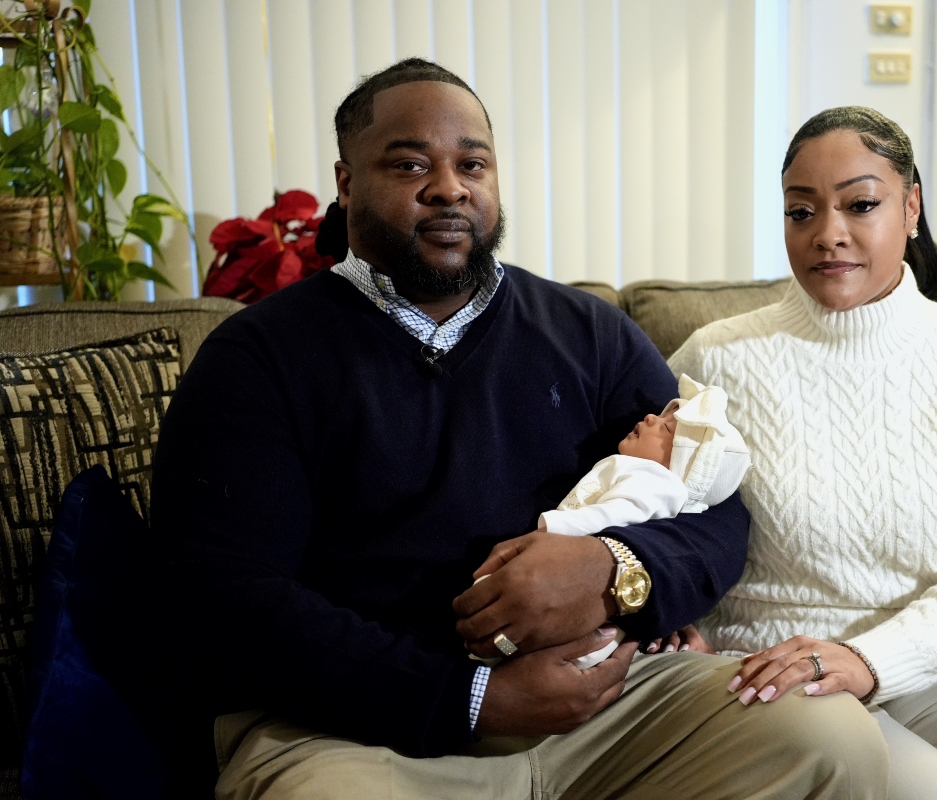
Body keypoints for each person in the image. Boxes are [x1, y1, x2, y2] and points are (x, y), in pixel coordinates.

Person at [150, 61, 889, 799]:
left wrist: (613, 573)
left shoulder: (588, 332)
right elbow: (225, 599)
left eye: (472, 162)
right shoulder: (259, 357)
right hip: (358, 731)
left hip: (608, 712)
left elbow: (718, 513)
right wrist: (472, 700)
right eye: (410, 164)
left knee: (827, 740)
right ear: (346, 185)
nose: (449, 187)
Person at [668, 105, 937, 800]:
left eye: (861, 205)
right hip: (776, 659)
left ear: (910, 208)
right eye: (801, 212)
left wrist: (870, 658)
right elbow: (647, 508)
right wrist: (668, 622)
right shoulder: (718, 359)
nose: (828, 235)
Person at [524, 374, 750, 669]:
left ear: (686, 466)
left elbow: (612, 516)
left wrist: (552, 528)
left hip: (574, 590)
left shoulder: (655, 483)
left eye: (667, 428)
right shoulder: (639, 472)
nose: (651, 418)